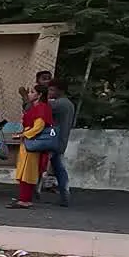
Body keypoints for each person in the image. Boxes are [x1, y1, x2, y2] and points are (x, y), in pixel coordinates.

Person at [10, 89, 54, 209]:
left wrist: (23, 135)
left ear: (39, 95)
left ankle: (25, 199)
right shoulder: (35, 107)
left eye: (32, 92)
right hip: (28, 140)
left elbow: (38, 127)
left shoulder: (42, 108)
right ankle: (24, 198)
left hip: (32, 141)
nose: (29, 94)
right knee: (24, 170)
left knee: (27, 171)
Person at [46, 77, 76, 207]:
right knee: (58, 168)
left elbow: (40, 109)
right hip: (61, 139)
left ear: (60, 90)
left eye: (52, 89)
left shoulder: (59, 104)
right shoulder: (69, 104)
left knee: (58, 168)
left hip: (54, 140)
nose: (50, 92)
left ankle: (64, 193)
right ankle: (64, 193)